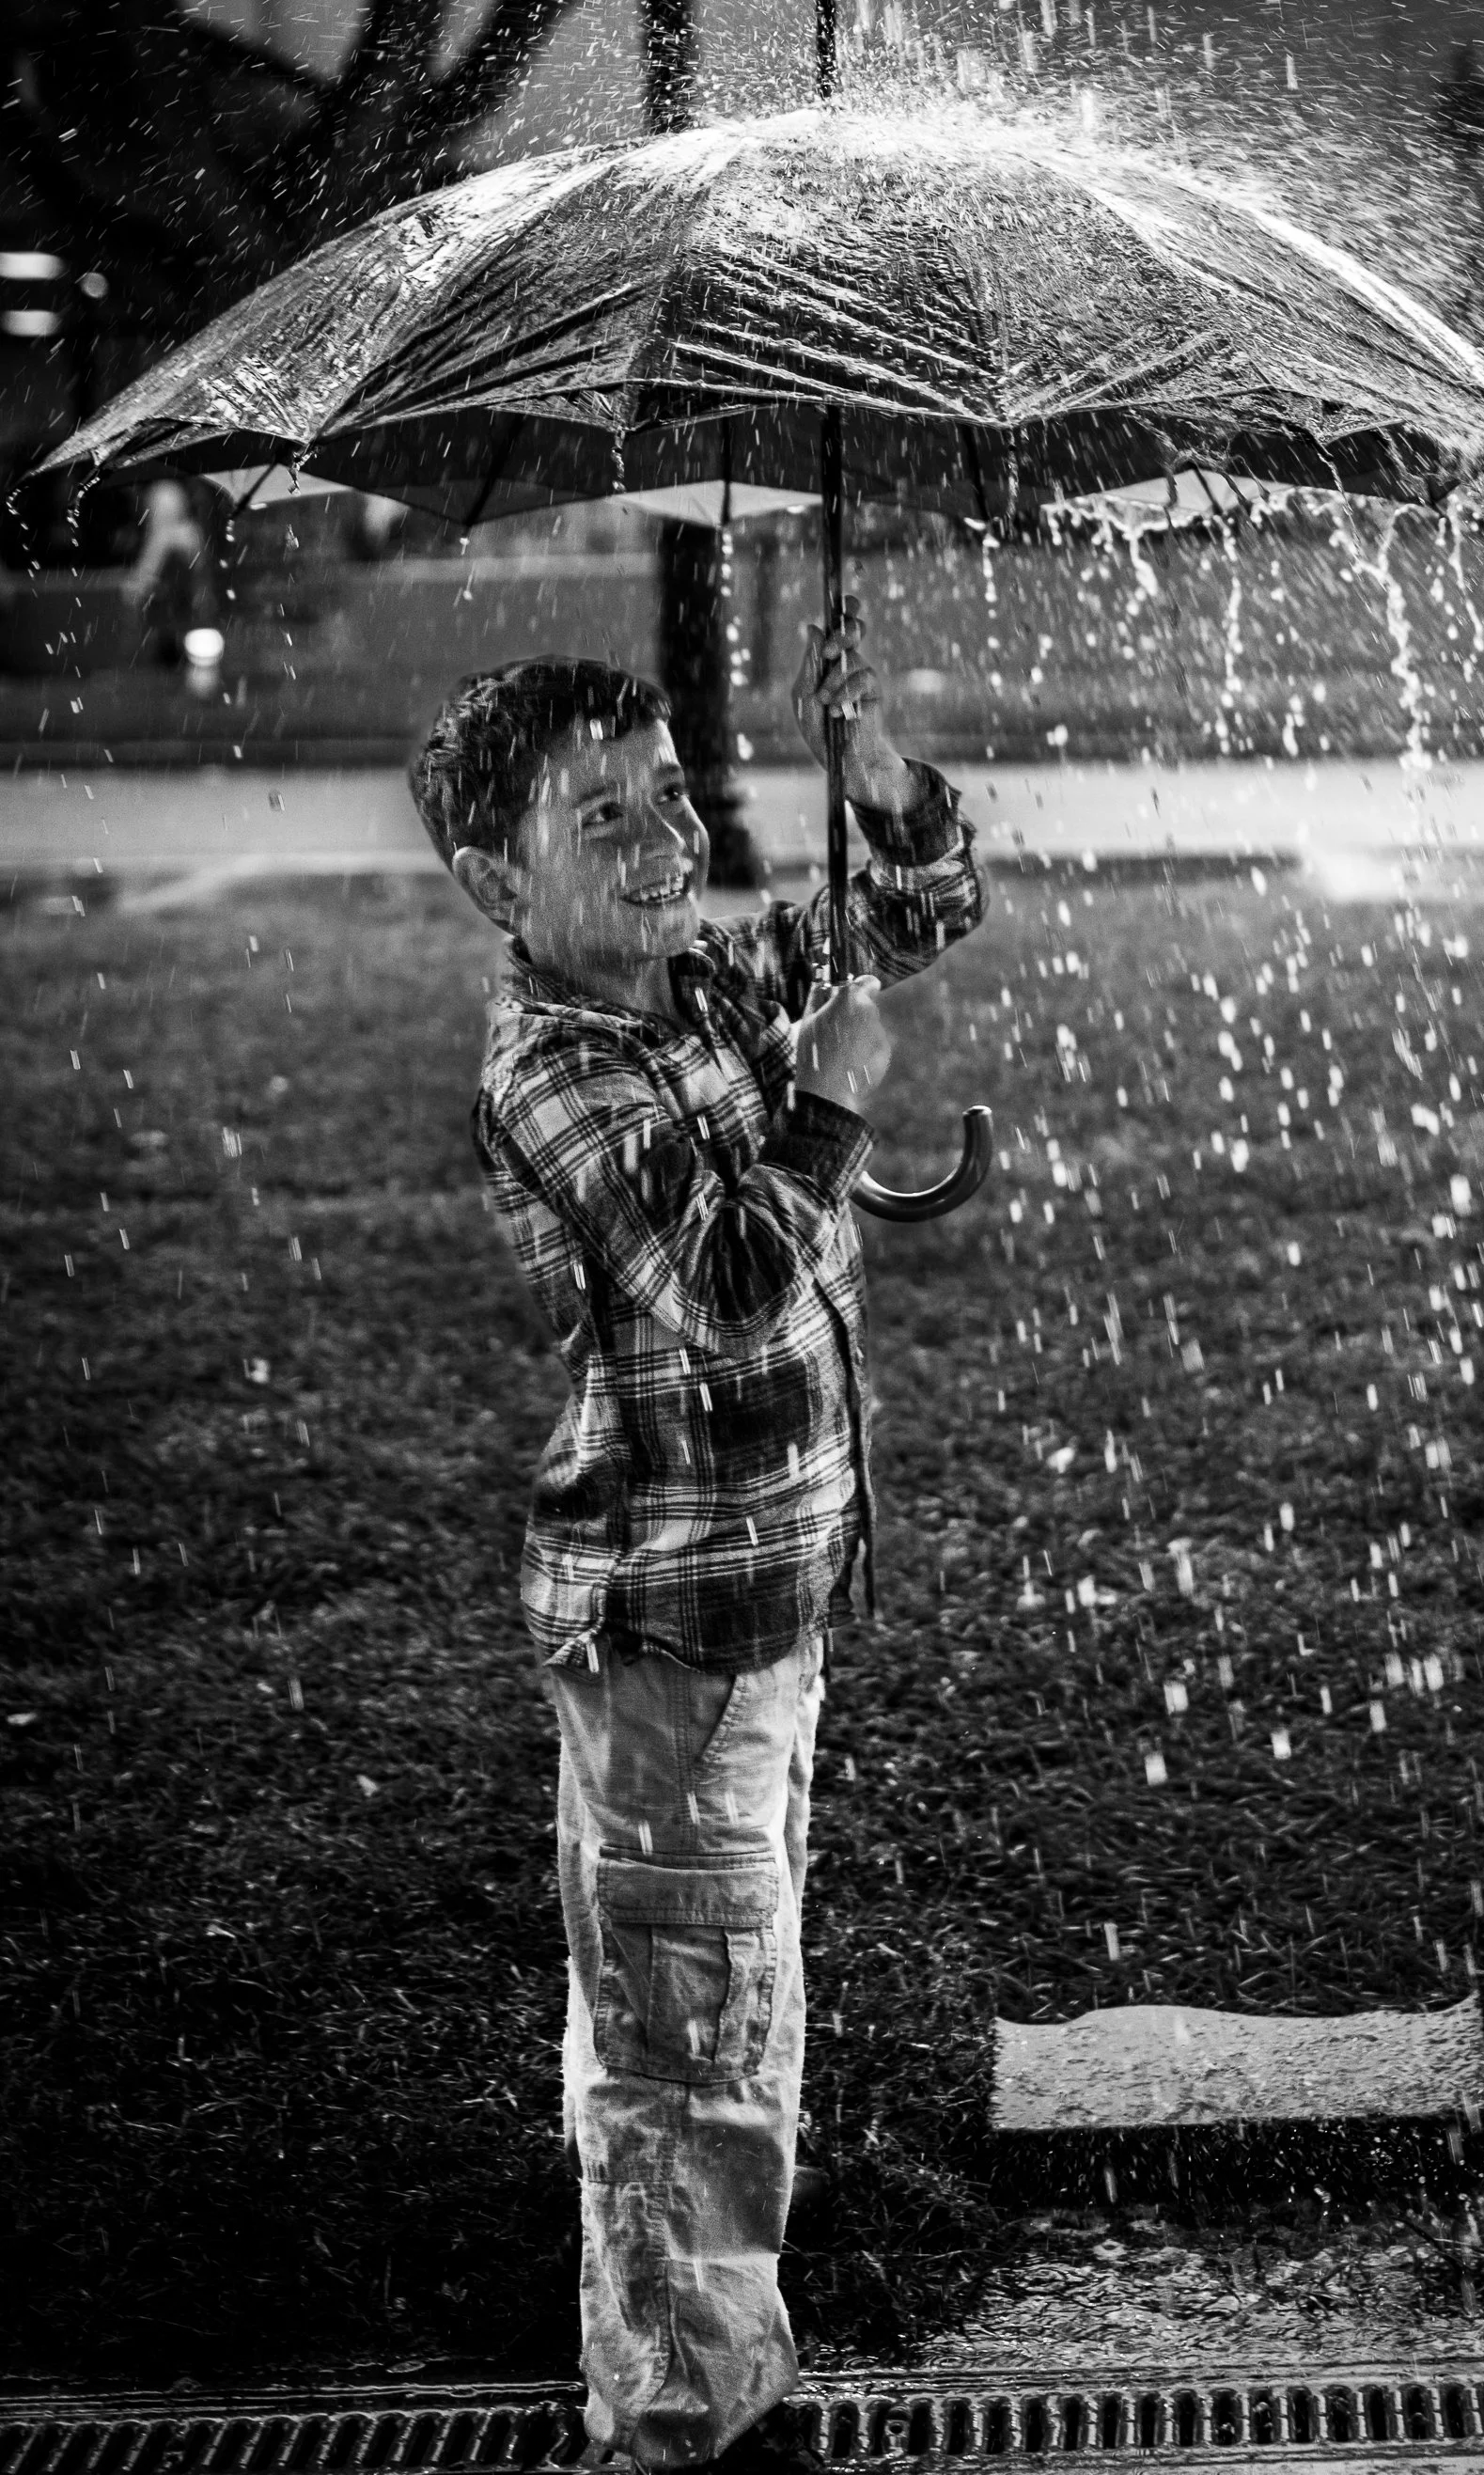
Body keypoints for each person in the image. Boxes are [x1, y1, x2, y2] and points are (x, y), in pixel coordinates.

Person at [407, 619, 986, 2472]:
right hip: (665, 1637)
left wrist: (881, 781)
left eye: (668, 795)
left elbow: (914, 908)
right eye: (603, 817)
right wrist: (831, 1109)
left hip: (764, 1608)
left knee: (714, 2011)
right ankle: (685, 2433)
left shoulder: (700, 989)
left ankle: (696, 2377)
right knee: (686, 2055)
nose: (663, 838)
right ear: (501, 880)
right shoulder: (558, 1065)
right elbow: (733, 1292)